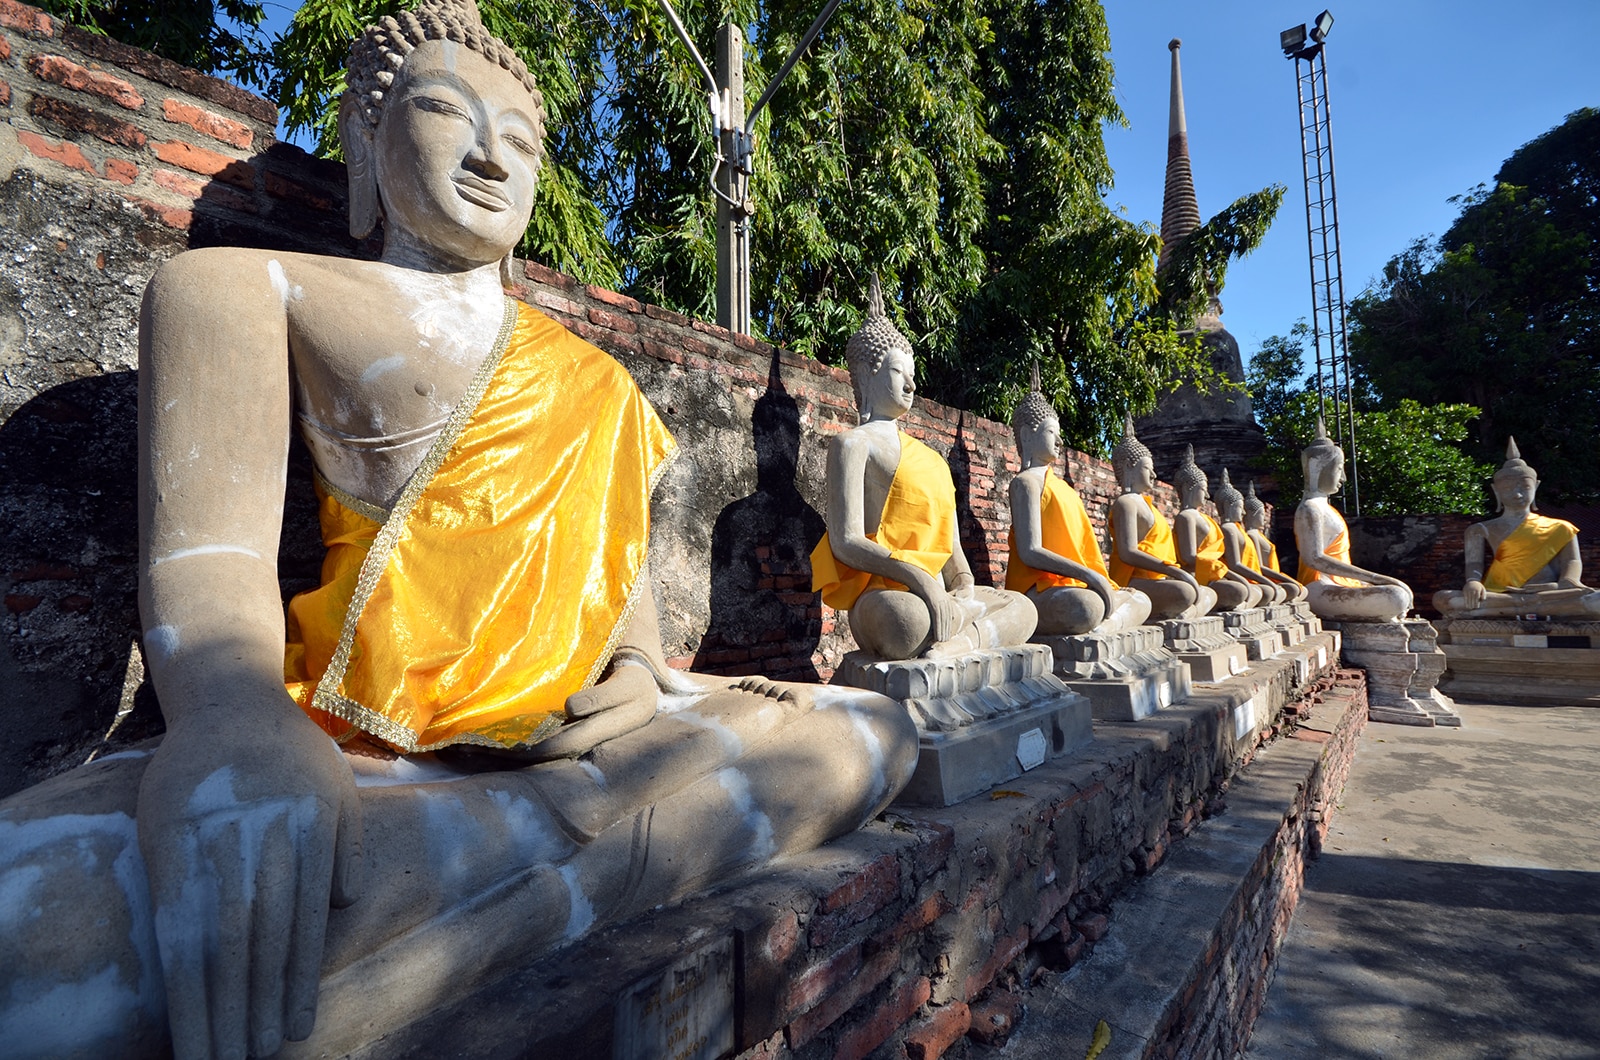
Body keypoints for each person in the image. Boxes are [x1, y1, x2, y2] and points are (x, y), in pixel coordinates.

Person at [0, 4, 917, 1057]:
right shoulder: (239, 287)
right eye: (445, 112)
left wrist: (630, 670)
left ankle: (462, 912)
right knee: (41, 931)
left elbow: (619, 601)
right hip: (361, 742)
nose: (491, 155)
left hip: (581, 740)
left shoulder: (595, 377)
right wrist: (232, 723)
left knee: (871, 734)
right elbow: (211, 563)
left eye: (521, 142)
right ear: (366, 139)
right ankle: (526, 889)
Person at [810, 277, 1037, 660]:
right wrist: (919, 580)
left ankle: (959, 644)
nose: (913, 385)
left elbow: (950, 548)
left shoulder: (931, 457)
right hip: (887, 592)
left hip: (942, 596)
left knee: (1024, 608)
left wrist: (962, 583)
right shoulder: (852, 443)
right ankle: (963, 632)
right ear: (867, 374)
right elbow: (845, 541)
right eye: (901, 373)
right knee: (906, 623)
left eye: (913, 375)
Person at [1005, 375, 1150, 635]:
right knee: (1085, 606)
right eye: (1052, 433)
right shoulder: (1026, 482)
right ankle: (1104, 625)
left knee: (1141, 599)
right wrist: (1089, 576)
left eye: (1059, 434)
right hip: (1040, 587)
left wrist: (1092, 578)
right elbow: (1030, 551)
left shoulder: (1064, 488)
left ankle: (1103, 628)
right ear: (1027, 435)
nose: (1060, 441)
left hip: (1075, 583)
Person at [1433, 439, 1600, 618]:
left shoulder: (1562, 527)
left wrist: (1565, 583)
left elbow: (1571, 563)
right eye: (1508, 489)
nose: (1518, 494)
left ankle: (1504, 611)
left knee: (1596, 599)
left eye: (1525, 487)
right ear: (1496, 491)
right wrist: (1473, 582)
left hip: (1549, 594)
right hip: (1500, 593)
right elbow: (1474, 564)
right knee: (1443, 599)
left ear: (1535, 487)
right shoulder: (1479, 529)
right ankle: (1526, 608)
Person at [1294, 417, 1411, 621]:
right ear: (1317, 469)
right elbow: (1313, 558)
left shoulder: (1326, 509)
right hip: (1318, 586)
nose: (1343, 478)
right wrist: (1377, 578)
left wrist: (1375, 582)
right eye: (1339, 469)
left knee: (1398, 593)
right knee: (1396, 596)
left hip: (1338, 584)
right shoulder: (1309, 509)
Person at [1106, 416, 1213, 621]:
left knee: (1202, 592)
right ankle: (1177, 611)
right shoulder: (1126, 502)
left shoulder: (1147, 505)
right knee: (1185, 592)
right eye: (1148, 468)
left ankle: (1180, 613)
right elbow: (1128, 553)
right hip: (1134, 578)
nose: (1154, 474)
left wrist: (1173, 572)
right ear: (1129, 466)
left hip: (1159, 577)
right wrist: (1172, 569)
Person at [1171, 446, 1260, 612]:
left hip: (1213, 573)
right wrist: (1223, 570)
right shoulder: (1186, 517)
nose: (1206, 496)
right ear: (1188, 488)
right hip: (1196, 574)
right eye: (1203, 490)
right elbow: (1188, 558)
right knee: (1238, 591)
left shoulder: (1206, 519)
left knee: (1248, 590)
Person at [1213, 469, 1286, 605]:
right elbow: (1235, 565)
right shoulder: (1228, 529)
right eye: (1240, 507)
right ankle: (1243, 606)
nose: (1244, 512)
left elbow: (1257, 566)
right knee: (1254, 591)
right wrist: (1264, 580)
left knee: (1288, 589)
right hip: (1234, 578)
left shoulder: (1239, 530)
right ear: (1229, 506)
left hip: (1252, 578)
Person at [1243, 480, 1306, 602]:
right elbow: (1259, 566)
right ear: (1252, 514)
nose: (1264, 519)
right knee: (1293, 589)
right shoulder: (1251, 535)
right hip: (1262, 578)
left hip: (1271, 577)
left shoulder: (1258, 535)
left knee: (1300, 590)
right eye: (1261, 514)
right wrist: (1275, 581)